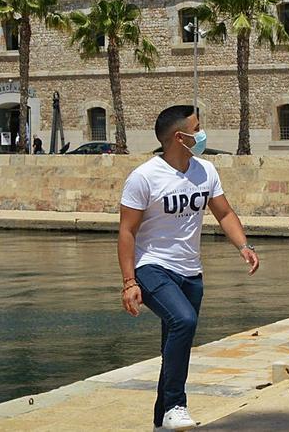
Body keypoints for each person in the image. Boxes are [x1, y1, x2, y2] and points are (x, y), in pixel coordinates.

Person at [118, 105, 260, 431]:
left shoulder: (206, 171)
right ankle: (176, 404)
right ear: (180, 137)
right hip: (152, 267)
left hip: (191, 272)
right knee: (184, 321)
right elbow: (127, 232)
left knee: (175, 342)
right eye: (198, 128)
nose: (202, 134)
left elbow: (224, 213)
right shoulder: (143, 177)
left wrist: (244, 246)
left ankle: (161, 421)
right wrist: (129, 282)